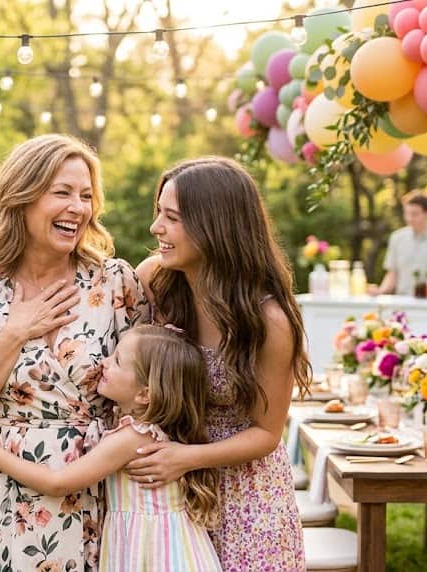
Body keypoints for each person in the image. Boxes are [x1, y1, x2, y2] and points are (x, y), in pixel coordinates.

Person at [0, 134, 149, 571]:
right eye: (61, 193)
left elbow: (156, 384)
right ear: (21, 199)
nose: (78, 208)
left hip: (95, 496)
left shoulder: (116, 283)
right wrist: (14, 333)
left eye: (85, 196)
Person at [126, 157, 310, 570]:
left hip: (247, 500)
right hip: (173, 495)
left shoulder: (268, 320)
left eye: (171, 218)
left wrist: (185, 457)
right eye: (159, 213)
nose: (156, 228)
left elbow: (266, 433)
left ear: (215, 227)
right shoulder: (154, 282)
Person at [0, 324, 222, 572]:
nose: (104, 362)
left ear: (144, 394)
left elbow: (58, 483)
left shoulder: (132, 438)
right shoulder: (149, 432)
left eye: (117, 361)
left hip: (155, 554)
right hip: (172, 549)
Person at [369, 190, 427, 296]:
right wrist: (380, 291)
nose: (409, 218)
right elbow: (392, 274)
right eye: (406, 213)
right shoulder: (397, 238)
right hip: (403, 303)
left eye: (414, 214)